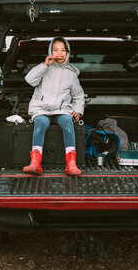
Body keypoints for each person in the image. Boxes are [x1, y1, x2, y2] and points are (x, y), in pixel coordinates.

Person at [23, 36, 85, 176]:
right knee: (41, 123)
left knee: (68, 123)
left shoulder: (71, 74)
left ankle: (71, 164)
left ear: (68, 53)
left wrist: (78, 111)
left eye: (63, 50)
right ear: (50, 51)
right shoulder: (44, 68)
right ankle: (35, 163)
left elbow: (78, 96)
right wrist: (45, 65)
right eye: (55, 50)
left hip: (61, 110)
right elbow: (30, 80)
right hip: (42, 109)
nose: (59, 53)